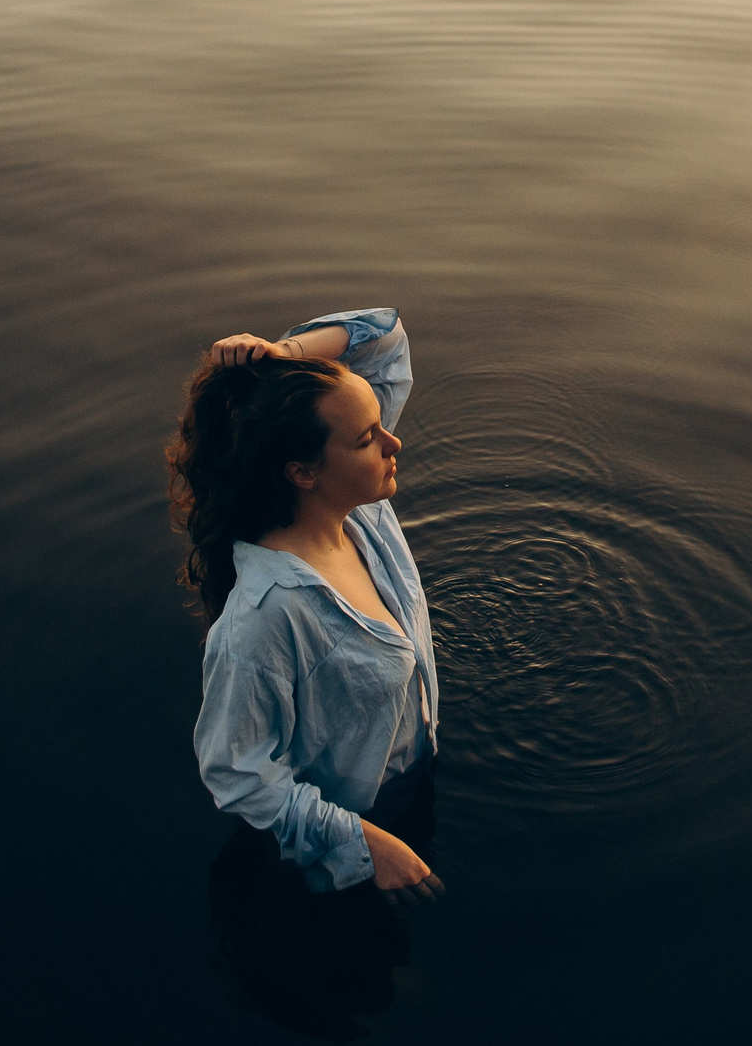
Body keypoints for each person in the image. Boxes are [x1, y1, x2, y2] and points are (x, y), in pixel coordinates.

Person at [167, 307, 442, 1034]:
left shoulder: (359, 513)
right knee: (372, 994)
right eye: (368, 436)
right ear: (302, 472)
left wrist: (279, 353)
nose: (393, 441)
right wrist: (362, 843)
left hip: (407, 792)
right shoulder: (268, 617)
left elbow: (384, 336)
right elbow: (236, 772)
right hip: (335, 855)